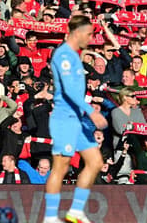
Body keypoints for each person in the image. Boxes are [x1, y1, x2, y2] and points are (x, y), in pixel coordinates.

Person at [43, 15, 108, 223]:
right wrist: (92, 111)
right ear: (77, 33)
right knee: (60, 166)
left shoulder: (75, 55)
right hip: (64, 119)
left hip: (76, 121)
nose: (91, 39)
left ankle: (76, 211)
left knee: (96, 162)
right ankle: (50, 218)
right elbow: (70, 90)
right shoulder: (63, 55)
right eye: (89, 34)